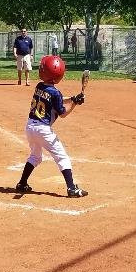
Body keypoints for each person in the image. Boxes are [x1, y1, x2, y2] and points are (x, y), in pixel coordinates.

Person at [15, 55, 88, 198]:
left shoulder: (39, 86)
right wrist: (74, 104)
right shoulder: (55, 92)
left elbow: (57, 99)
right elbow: (63, 113)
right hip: (43, 130)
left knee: (35, 156)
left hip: (30, 127)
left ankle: (22, 183)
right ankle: (71, 188)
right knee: (62, 157)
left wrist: (73, 98)